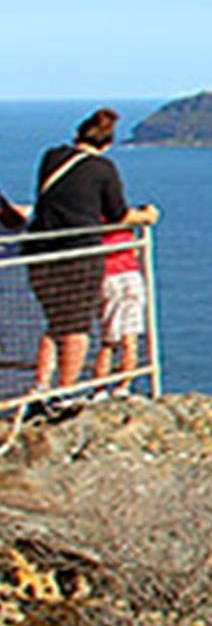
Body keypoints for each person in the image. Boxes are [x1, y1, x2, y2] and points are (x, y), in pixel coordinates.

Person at [27, 108, 158, 405]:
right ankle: (66, 392)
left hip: (38, 252)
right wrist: (146, 217)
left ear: (77, 134)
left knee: (56, 322)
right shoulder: (103, 168)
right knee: (77, 327)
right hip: (78, 254)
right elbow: (119, 214)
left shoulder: (52, 157)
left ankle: (41, 385)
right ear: (107, 143)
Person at [91, 225, 146, 397]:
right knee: (130, 340)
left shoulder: (93, 220)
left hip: (107, 277)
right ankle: (123, 387)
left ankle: (100, 389)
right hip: (130, 276)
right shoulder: (125, 219)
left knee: (108, 341)